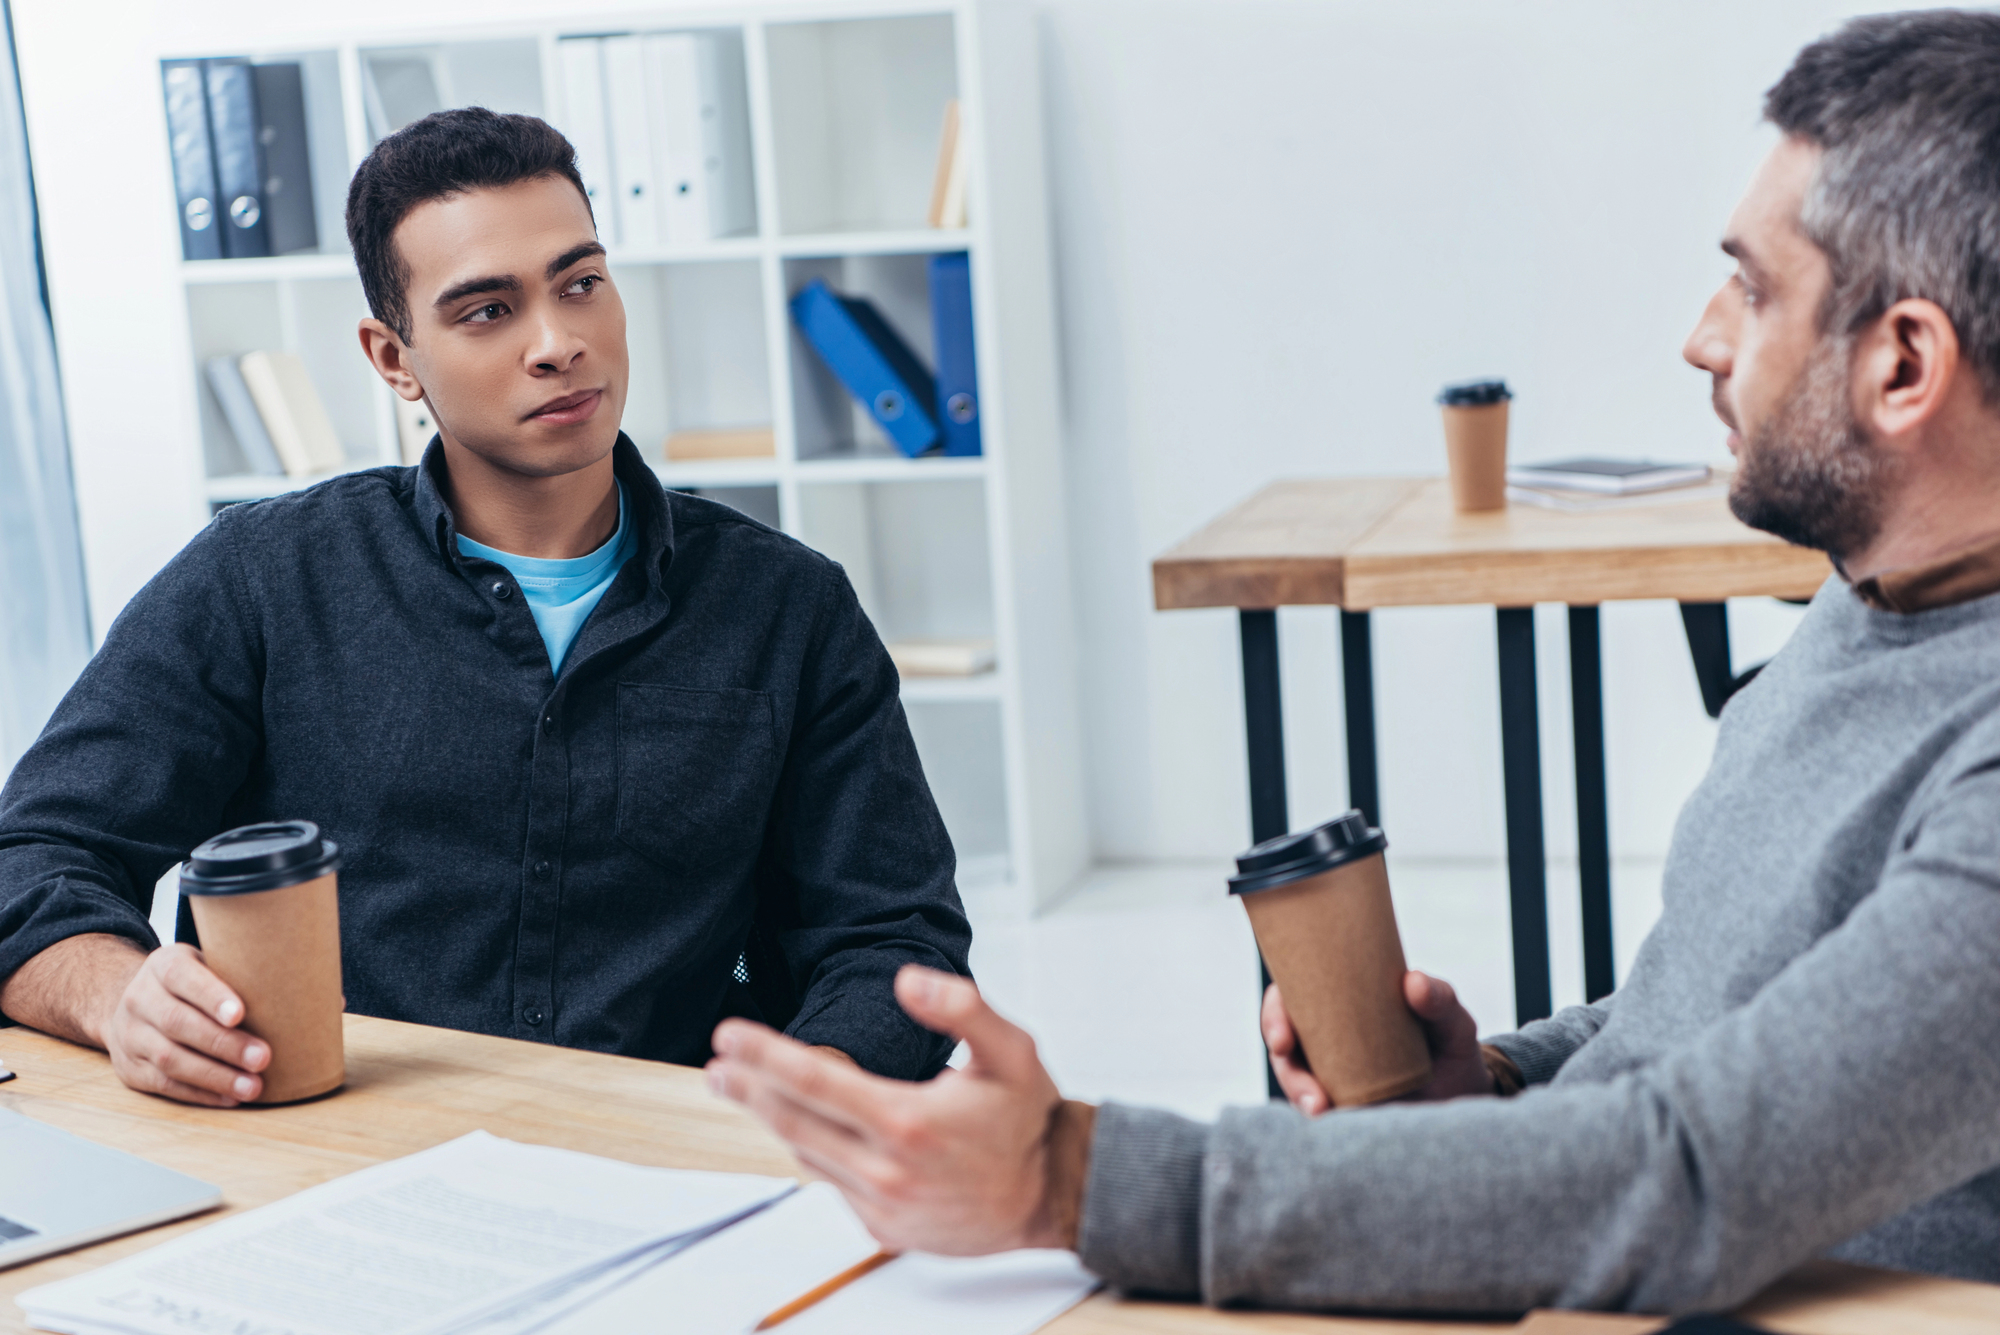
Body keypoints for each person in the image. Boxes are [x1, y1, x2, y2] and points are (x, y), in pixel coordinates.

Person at [705, 11, 2000, 1316]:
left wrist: (1071, 1174)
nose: (1705, 337)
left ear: (1902, 365)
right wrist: (1494, 1079)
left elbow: (1691, 1166)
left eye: (1758, 286)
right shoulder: (1878, 590)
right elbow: (1721, 1011)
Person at [0, 109, 970, 1106]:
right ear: (393, 359)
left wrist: (799, 1104)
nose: (558, 343)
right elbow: (32, 858)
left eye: (580, 284)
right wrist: (120, 998)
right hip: (325, 1155)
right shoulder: (259, 580)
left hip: (668, 1162)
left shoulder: (785, 606)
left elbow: (894, 940)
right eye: (485, 312)